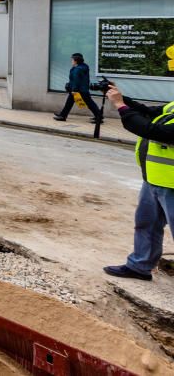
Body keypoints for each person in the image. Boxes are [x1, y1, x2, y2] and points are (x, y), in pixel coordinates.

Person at [102, 83, 174, 281]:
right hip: (154, 178)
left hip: (171, 185)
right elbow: (148, 112)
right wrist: (121, 98)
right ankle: (140, 266)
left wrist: (120, 106)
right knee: (146, 225)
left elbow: (152, 130)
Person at [54, 53, 103, 124]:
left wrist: (74, 90)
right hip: (83, 89)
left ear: (76, 61)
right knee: (70, 102)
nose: (71, 61)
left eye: (72, 60)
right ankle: (63, 115)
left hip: (78, 90)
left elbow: (76, 80)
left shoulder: (77, 69)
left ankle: (99, 117)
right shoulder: (84, 67)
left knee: (89, 103)